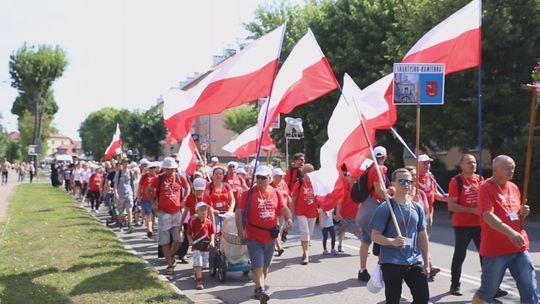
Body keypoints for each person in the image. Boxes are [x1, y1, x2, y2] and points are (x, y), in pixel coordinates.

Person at [472, 155, 538, 304]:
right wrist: (510, 232)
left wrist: (523, 213)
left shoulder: (514, 187)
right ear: (495, 169)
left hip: (519, 247)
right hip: (496, 250)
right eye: (508, 168)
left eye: (513, 168)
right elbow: (488, 216)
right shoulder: (485, 187)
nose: (512, 171)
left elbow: (514, 215)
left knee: (530, 288)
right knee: (487, 292)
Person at [370, 168, 430, 304]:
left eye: (409, 181)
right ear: (394, 184)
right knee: (393, 300)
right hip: (391, 262)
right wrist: (392, 241)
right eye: (402, 181)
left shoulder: (417, 207)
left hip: (414, 260)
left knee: (423, 299)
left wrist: (426, 262)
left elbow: (422, 236)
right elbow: (375, 236)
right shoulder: (385, 208)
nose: (406, 184)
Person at [236, 165, 293, 303]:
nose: (260, 180)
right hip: (253, 235)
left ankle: (258, 288)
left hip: (270, 236)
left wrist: (289, 219)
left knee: (265, 266)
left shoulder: (275, 192)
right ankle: (261, 289)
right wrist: (240, 230)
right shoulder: (247, 194)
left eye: (263, 178)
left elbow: (284, 207)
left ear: (269, 179)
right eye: (258, 177)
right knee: (258, 266)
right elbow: (239, 213)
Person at [147, 157, 185, 276]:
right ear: (164, 168)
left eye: (172, 169)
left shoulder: (179, 177)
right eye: (168, 169)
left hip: (177, 212)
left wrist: (184, 200)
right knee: (164, 241)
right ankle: (169, 265)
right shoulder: (158, 178)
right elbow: (148, 190)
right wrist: (153, 203)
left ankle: (170, 255)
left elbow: (188, 188)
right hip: (163, 213)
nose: (170, 171)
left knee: (179, 239)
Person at [356, 146, 390, 282]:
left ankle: (362, 270)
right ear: (386, 157)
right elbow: (379, 191)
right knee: (383, 239)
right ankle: (381, 271)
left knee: (366, 240)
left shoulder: (370, 168)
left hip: (366, 207)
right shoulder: (378, 169)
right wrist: (391, 196)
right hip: (374, 209)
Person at [416, 154, 447, 279]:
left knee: (424, 240)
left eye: (428, 163)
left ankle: (426, 266)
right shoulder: (413, 178)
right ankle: (427, 266)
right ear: (417, 164)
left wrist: (447, 199)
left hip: (429, 213)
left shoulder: (430, 177)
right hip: (417, 213)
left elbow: (435, 194)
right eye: (424, 163)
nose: (427, 165)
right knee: (421, 240)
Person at [290, 163, 318, 265]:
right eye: (307, 172)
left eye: (312, 172)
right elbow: (293, 200)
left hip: (313, 212)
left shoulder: (316, 183)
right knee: (305, 232)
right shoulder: (299, 183)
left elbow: (320, 197)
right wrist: (292, 213)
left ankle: (304, 251)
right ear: (303, 173)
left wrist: (325, 209)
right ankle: (306, 255)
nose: (310, 174)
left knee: (309, 234)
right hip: (301, 211)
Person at [187, 201, 215, 290]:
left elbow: (212, 233)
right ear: (197, 212)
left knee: (203, 264)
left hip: (205, 246)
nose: (204, 212)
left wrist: (212, 241)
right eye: (201, 210)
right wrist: (190, 240)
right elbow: (188, 233)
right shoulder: (193, 222)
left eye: (205, 210)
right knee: (198, 262)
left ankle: (197, 272)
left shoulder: (209, 222)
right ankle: (199, 281)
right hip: (196, 246)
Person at [335, 172, 362, 253]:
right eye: (349, 176)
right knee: (342, 230)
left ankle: (363, 246)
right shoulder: (344, 186)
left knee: (359, 230)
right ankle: (340, 245)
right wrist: (337, 213)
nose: (353, 178)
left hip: (357, 213)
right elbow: (339, 201)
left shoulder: (359, 185)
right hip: (345, 213)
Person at [270, 167, 291, 256]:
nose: (282, 177)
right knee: (276, 229)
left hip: (283, 210)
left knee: (280, 229)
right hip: (274, 211)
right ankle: (279, 247)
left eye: (282, 176)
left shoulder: (284, 184)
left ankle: (276, 244)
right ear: (274, 176)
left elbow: (288, 195)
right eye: (279, 176)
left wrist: (289, 206)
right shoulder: (270, 186)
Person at [208, 166, 235, 231]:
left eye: (220, 174)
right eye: (216, 174)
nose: (218, 176)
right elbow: (206, 201)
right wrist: (212, 210)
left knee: (226, 231)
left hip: (225, 213)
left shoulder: (227, 186)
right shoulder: (209, 186)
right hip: (214, 213)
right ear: (213, 176)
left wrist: (230, 210)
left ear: (223, 176)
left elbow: (232, 200)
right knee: (217, 230)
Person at [114, 158, 136, 233]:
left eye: (127, 162)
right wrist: (116, 192)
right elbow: (115, 184)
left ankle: (130, 225)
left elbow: (132, 184)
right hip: (120, 194)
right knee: (120, 211)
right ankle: (120, 224)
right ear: (122, 164)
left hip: (128, 194)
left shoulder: (130, 173)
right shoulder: (118, 173)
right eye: (125, 162)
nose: (126, 164)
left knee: (129, 210)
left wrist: (133, 193)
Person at [139, 161, 158, 238]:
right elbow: (139, 187)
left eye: (153, 168)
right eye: (150, 168)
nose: (152, 170)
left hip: (154, 199)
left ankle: (151, 228)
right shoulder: (144, 177)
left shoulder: (157, 177)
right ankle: (149, 229)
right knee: (149, 214)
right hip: (145, 198)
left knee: (153, 214)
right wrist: (138, 196)